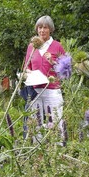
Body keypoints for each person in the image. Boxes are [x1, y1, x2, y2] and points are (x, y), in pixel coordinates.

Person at [23, 15, 67, 144]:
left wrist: (52, 62)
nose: (42, 30)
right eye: (39, 27)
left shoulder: (57, 46)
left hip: (52, 90)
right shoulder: (32, 46)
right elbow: (27, 67)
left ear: (50, 29)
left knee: (55, 119)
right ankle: (38, 153)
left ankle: (58, 149)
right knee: (36, 123)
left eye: (45, 28)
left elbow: (65, 69)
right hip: (35, 90)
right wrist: (29, 73)